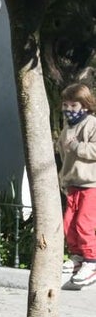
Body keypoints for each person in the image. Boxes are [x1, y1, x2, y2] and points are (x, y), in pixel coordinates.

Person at [58, 83, 96, 287]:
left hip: (91, 184)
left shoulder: (92, 124)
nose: (68, 110)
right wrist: (62, 178)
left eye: (73, 105)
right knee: (69, 224)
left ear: (85, 105)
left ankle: (92, 261)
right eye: (65, 105)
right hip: (72, 183)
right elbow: (64, 157)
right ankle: (77, 256)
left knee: (84, 223)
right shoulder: (67, 129)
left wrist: (76, 146)